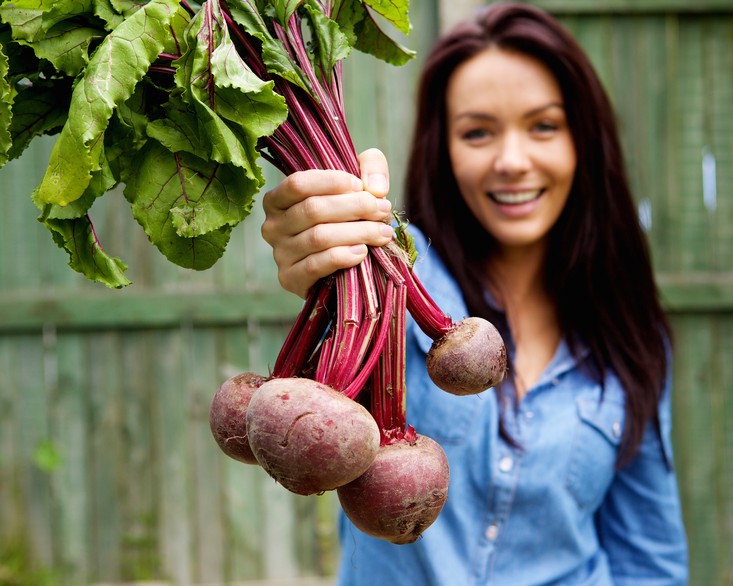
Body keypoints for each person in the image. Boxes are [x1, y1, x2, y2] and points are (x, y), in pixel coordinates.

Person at [260, 3, 688, 584]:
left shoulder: (629, 336)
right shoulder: (388, 279)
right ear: (444, 150)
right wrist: (317, 249)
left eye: (543, 126)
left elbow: (649, 559)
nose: (512, 162)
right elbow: (328, 267)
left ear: (584, 142)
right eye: (478, 132)